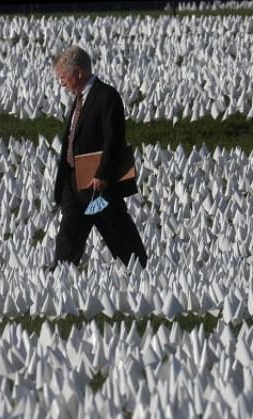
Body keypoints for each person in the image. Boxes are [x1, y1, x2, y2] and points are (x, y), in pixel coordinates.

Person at [45, 46, 148, 271]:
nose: (62, 84)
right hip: (73, 183)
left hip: (97, 184)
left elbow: (114, 140)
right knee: (69, 235)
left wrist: (103, 175)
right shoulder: (79, 99)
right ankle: (59, 276)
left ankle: (140, 270)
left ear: (79, 73)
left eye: (64, 78)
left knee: (116, 229)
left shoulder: (107, 97)